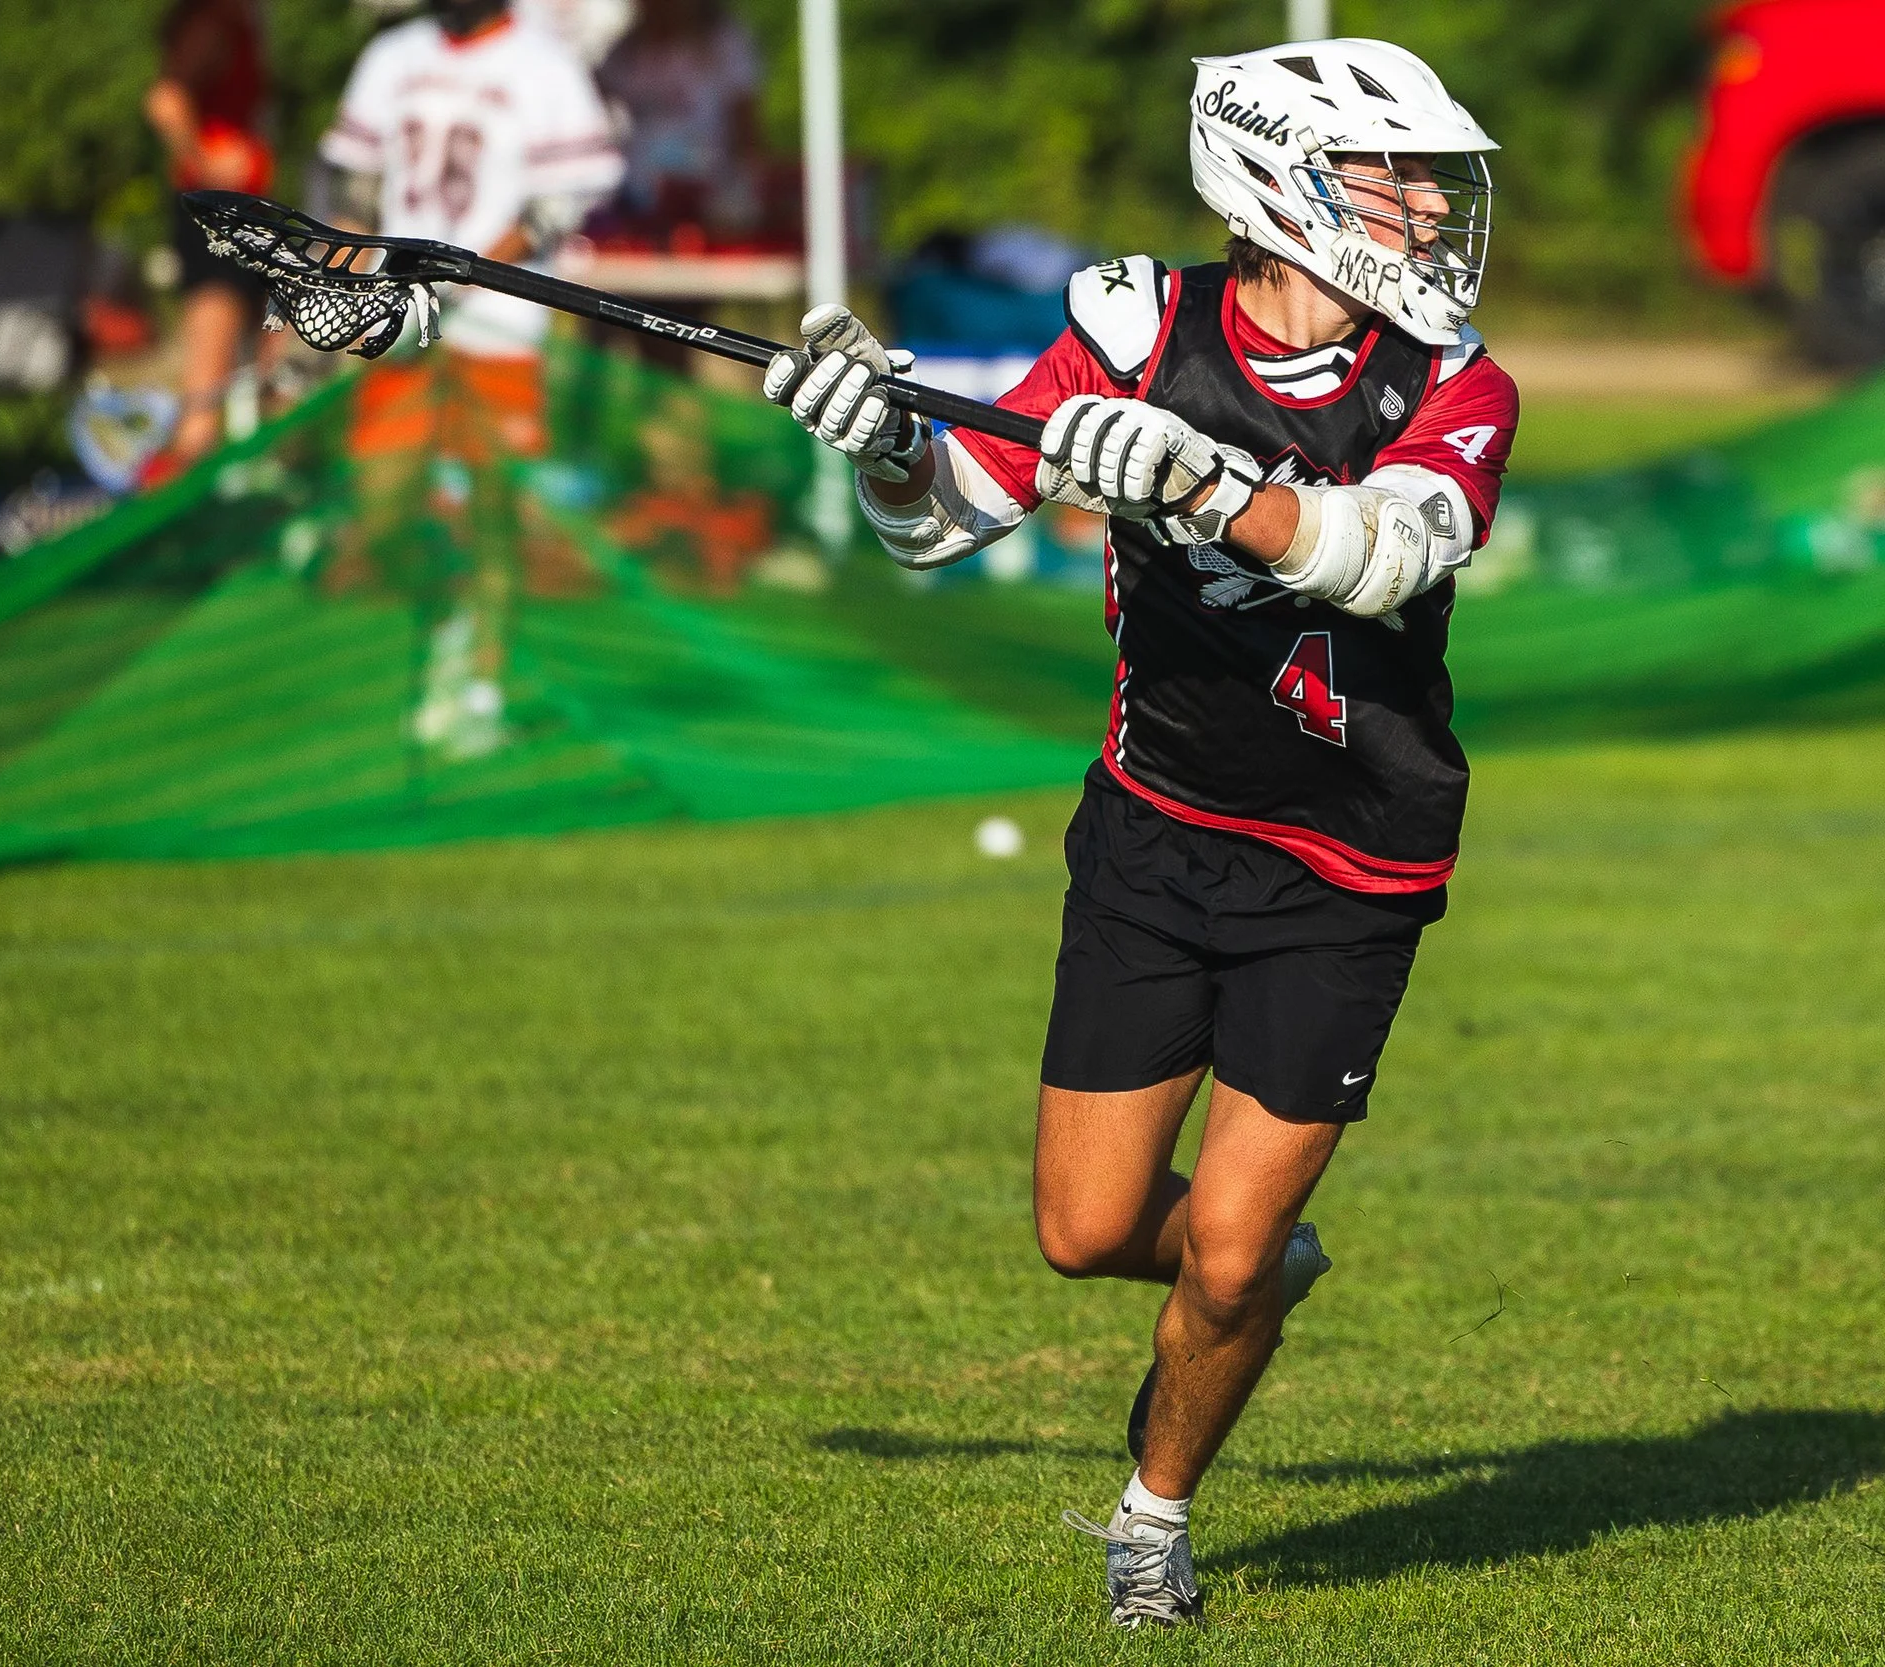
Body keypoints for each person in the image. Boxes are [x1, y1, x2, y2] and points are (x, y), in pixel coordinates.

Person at [760, 38, 1517, 1629]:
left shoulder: (1457, 381)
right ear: (1274, 182)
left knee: (1227, 1257)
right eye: (1395, 178)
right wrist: (884, 437)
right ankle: (1245, 1267)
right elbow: (943, 519)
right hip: (1157, 826)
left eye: (1434, 182)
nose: (1430, 211)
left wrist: (1198, 480)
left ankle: (1152, 1512)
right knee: (1087, 1229)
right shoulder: (1133, 328)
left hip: (1349, 863)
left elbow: (1382, 555)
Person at [317, 0, 622, 757]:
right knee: (380, 512)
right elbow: (356, 196)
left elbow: (559, 203)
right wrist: (349, 293)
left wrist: (461, 275)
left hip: (499, 323)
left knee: (496, 510)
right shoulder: (394, 55)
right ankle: (448, 618)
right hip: (399, 322)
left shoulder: (545, 63)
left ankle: (480, 682)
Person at [144, 0, 277, 466]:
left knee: (270, 362)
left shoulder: (241, 20)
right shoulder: (214, 19)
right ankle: (175, 509)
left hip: (245, 215)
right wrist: (205, 163)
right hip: (215, 219)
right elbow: (165, 100)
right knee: (205, 390)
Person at [593, 0, 762, 246]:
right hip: (641, 198)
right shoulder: (630, 49)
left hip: (709, 192)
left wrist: (742, 186)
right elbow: (594, 92)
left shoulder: (722, 41)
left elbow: (745, 117)